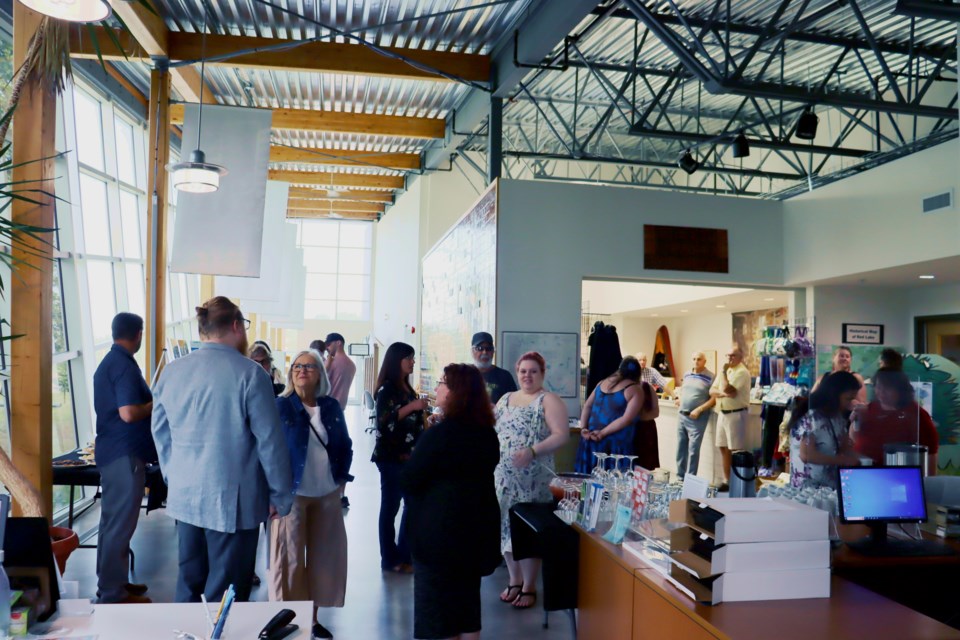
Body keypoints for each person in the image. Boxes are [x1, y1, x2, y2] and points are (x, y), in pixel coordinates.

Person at [152, 296, 293, 603]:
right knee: (226, 593)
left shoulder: (172, 372)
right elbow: (270, 441)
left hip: (185, 497)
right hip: (233, 501)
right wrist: (280, 495)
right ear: (235, 326)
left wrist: (172, 475)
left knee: (189, 585)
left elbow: (159, 429)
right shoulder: (251, 374)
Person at [401, 364, 501, 640]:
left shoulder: (439, 435)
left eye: (442, 383)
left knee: (435, 614)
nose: (436, 388)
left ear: (457, 392)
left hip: (438, 534)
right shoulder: (487, 434)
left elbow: (410, 480)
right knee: (466, 608)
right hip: (475, 531)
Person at [270, 349, 353, 640]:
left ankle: (313, 619)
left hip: (326, 494)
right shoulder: (281, 406)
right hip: (292, 495)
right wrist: (272, 495)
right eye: (297, 366)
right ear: (291, 373)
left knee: (323, 560)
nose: (302, 370)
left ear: (320, 373)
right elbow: (270, 452)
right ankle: (291, 619)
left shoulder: (330, 406)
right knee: (290, 561)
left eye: (309, 366)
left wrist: (341, 480)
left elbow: (345, 444)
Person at [493, 351, 569, 609]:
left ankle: (529, 585)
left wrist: (533, 451)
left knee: (526, 532)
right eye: (523, 371)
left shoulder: (548, 400)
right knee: (505, 528)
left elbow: (561, 435)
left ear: (542, 374)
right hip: (503, 478)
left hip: (533, 481)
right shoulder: (505, 399)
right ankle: (514, 580)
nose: (527, 375)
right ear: (517, 372)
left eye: (533, 371)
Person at [93, 312, 155, 604]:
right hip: (124, 454)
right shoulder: (124, 367)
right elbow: (128, 413)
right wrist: (155, 404)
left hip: (111, 452)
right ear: (138, 334)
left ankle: (111, 582)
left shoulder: (108, 363)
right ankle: (113, 592)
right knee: (120, 524)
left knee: (110, 523)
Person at [372, 342, 427, 573]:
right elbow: (385, 423)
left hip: (410, 457)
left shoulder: (406, 387)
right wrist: (413, 406)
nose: (413, 362)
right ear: (398, 361)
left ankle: (405, 555)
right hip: (391, 458)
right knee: (391, 507)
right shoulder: (387, 390)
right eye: (409, 358)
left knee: (412, 505)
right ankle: (390, 558)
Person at [852, 368, 938, 475]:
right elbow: (855, 439)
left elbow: (931, 452)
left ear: (900, 389)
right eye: (878, 386)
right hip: (864, 472)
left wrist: (926, 482)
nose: (881, 392)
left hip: (897, 476)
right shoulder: (869, 408)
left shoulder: (915, 413)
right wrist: (854, 420)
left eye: (887, 388)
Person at [789, 371, 862, 490]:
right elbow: (806, 454)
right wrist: (841, 460)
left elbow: (843, 444)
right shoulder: (811, 417)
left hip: (828, 487)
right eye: (848, 399)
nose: (850, 403)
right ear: (834, 395)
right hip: (807, 490)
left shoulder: (837, 417)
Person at [574, 356, 644, 474]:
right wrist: (602, 433)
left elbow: (587, 406)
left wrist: (584, 428)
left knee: (587, 482)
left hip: (590, 440)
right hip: (615, 446)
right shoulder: (635, 389)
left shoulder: (601, 383)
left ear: (619, 369)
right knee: (613, 485)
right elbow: (626, 419)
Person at [710, 345, 751, 491]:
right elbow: (712, 391)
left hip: (736, 414)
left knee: (736, 450)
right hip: (722, 412)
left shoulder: (742, 372)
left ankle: (737, 482)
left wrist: (722, 375)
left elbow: (730, 390)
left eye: (733, 356)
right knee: (723, 448)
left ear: (740, 357)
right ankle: (727, 481)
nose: (729, 359)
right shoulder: (726, 370)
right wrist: (721, 392)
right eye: (727, 356)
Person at [675, 352, 716, 480]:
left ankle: (690, 479)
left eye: (699, 359)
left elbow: (714, 399)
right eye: (693, 359)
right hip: (682, 415)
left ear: (704, 361)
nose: (696, 361)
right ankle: (680, 477)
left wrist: (699, 409)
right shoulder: (687, 374)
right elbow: (683, 390)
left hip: (697, 418)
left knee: (693, 450)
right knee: (680, 449)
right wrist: (680, 398)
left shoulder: (711, 376)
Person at [471, 331, 517, 404]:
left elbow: (514, 405)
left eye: (488, 348)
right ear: (472, 351)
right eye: (480, 348)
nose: (484, 352)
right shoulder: (462, 375)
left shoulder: (505, 376)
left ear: (493, 352)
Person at [325, 332, 357, 411]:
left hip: (328, 407)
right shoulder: (352, 365)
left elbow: (320, 384)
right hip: (341, 408)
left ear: (338, 343)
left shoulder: (330, 362)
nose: (327, 348)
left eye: (328, 344)